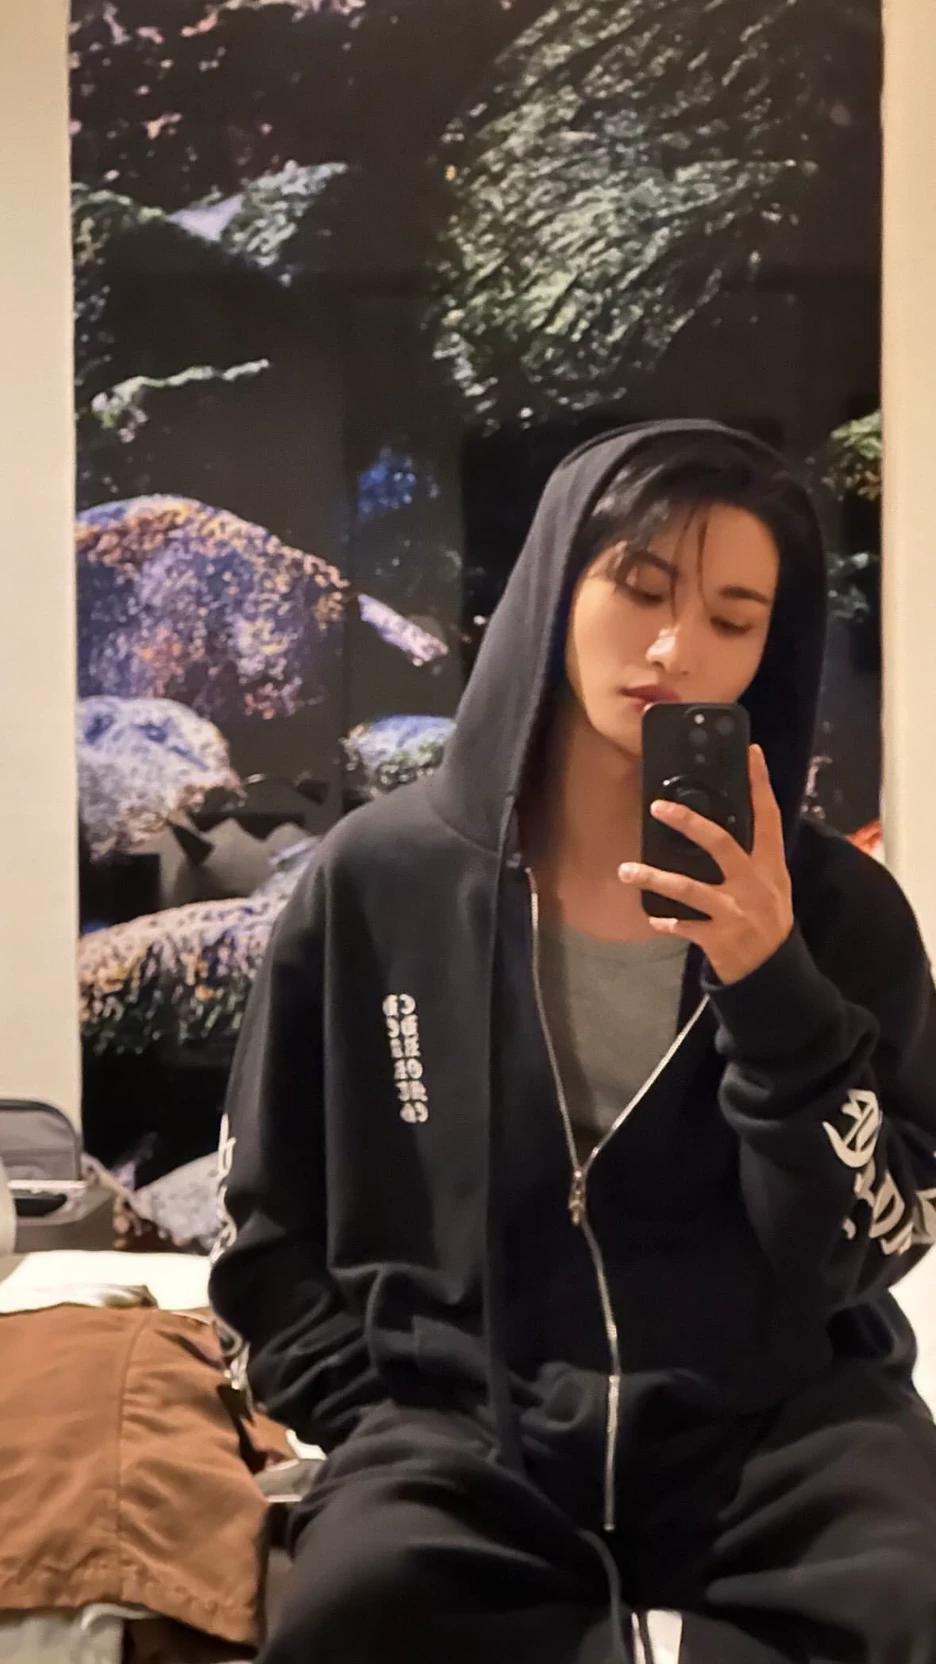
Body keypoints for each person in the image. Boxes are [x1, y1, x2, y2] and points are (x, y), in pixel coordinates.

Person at [209, 422, 936, 1664]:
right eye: (641, 588)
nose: (677, 649)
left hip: (779, 1431)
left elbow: (872, 1242)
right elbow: (272, 1228)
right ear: (557, 584)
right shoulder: (379, 881)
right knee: (346, 1614)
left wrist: (773, 981)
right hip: (467, 1432)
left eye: (733, 616)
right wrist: (378, 1413)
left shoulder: (838, 910)